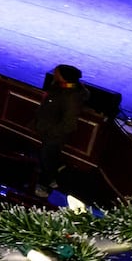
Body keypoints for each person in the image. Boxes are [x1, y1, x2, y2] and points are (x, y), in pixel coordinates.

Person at [34, 64, 88, 197]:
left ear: (64, 77)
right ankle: (51, 180)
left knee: (47, 161)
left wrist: (50, 131)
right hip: (49, 132)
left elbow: (69, 125)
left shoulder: (71, 98)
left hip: (54, 136)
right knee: (48, 158)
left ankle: (44, 188)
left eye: (57, 73)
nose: (54, 74)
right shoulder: (60, 88)